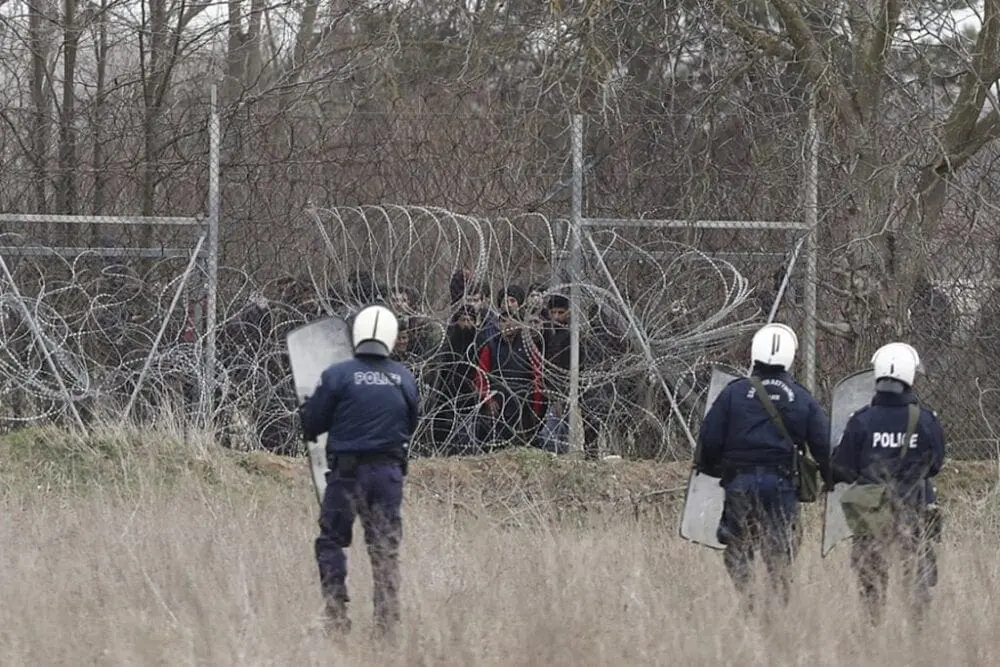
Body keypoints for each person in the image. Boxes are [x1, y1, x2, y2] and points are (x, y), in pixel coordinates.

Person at [298, 304, 420, 639]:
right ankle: (386, 626)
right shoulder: (404, 377)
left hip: (346, 475)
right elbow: (412, 422)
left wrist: (308, 410)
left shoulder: (338, 374)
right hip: (388, 474)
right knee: (384, 548)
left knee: (332, 540)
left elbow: (313, 424)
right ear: (390, 338)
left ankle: (336, 615)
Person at [696, 323, 830, 610]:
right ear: (790, 356)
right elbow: (824, 447)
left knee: (738, 547)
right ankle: (778, 607)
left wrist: (710, 469)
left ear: (755, 353)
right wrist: (833, 478)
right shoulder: (802, 397)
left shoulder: (733, 393)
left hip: (740, 483)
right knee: (780, 548)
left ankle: (748, 601)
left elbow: (709, 439)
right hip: (783, 485)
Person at [831, 342, 945, 625]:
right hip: (916, 508)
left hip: (871, 514)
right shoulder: (926, 421)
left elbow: (842, 468)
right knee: (917, 577)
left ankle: (873, 628)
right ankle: (918, 631)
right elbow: (936, 464)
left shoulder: (861, 420)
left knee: (871, 580)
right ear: (909, 375)